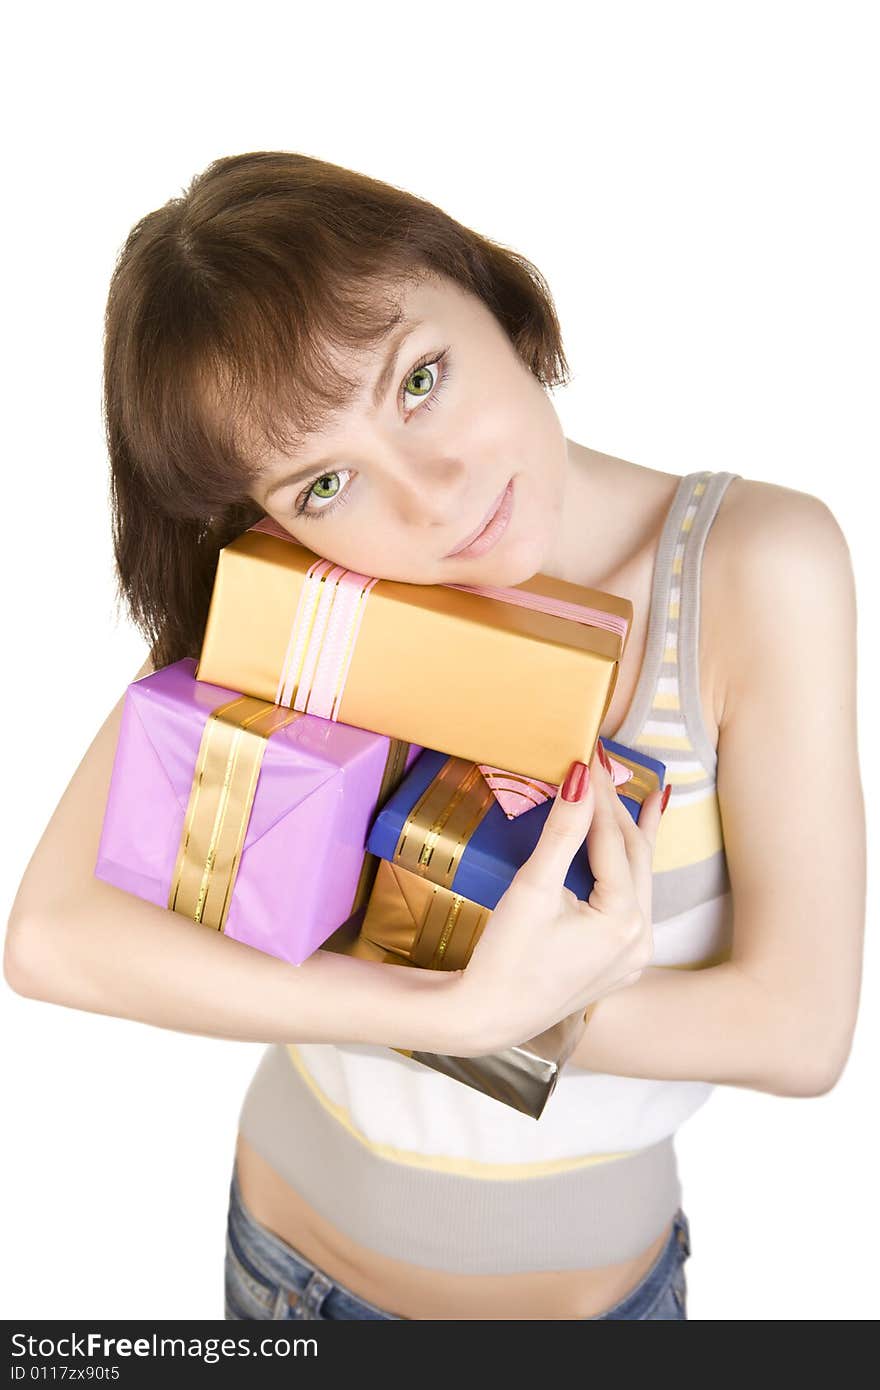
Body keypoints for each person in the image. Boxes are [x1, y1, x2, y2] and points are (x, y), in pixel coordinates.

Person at [4, 151, 865, 1322]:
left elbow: (799, 1029)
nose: (431, 495)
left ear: (489, 292)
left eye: (418, 380)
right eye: (322, 482)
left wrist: (519, 1003)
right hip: (286, 1272)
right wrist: (450, 1013)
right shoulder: (311, 594)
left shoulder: (757, 567)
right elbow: (49, 939)